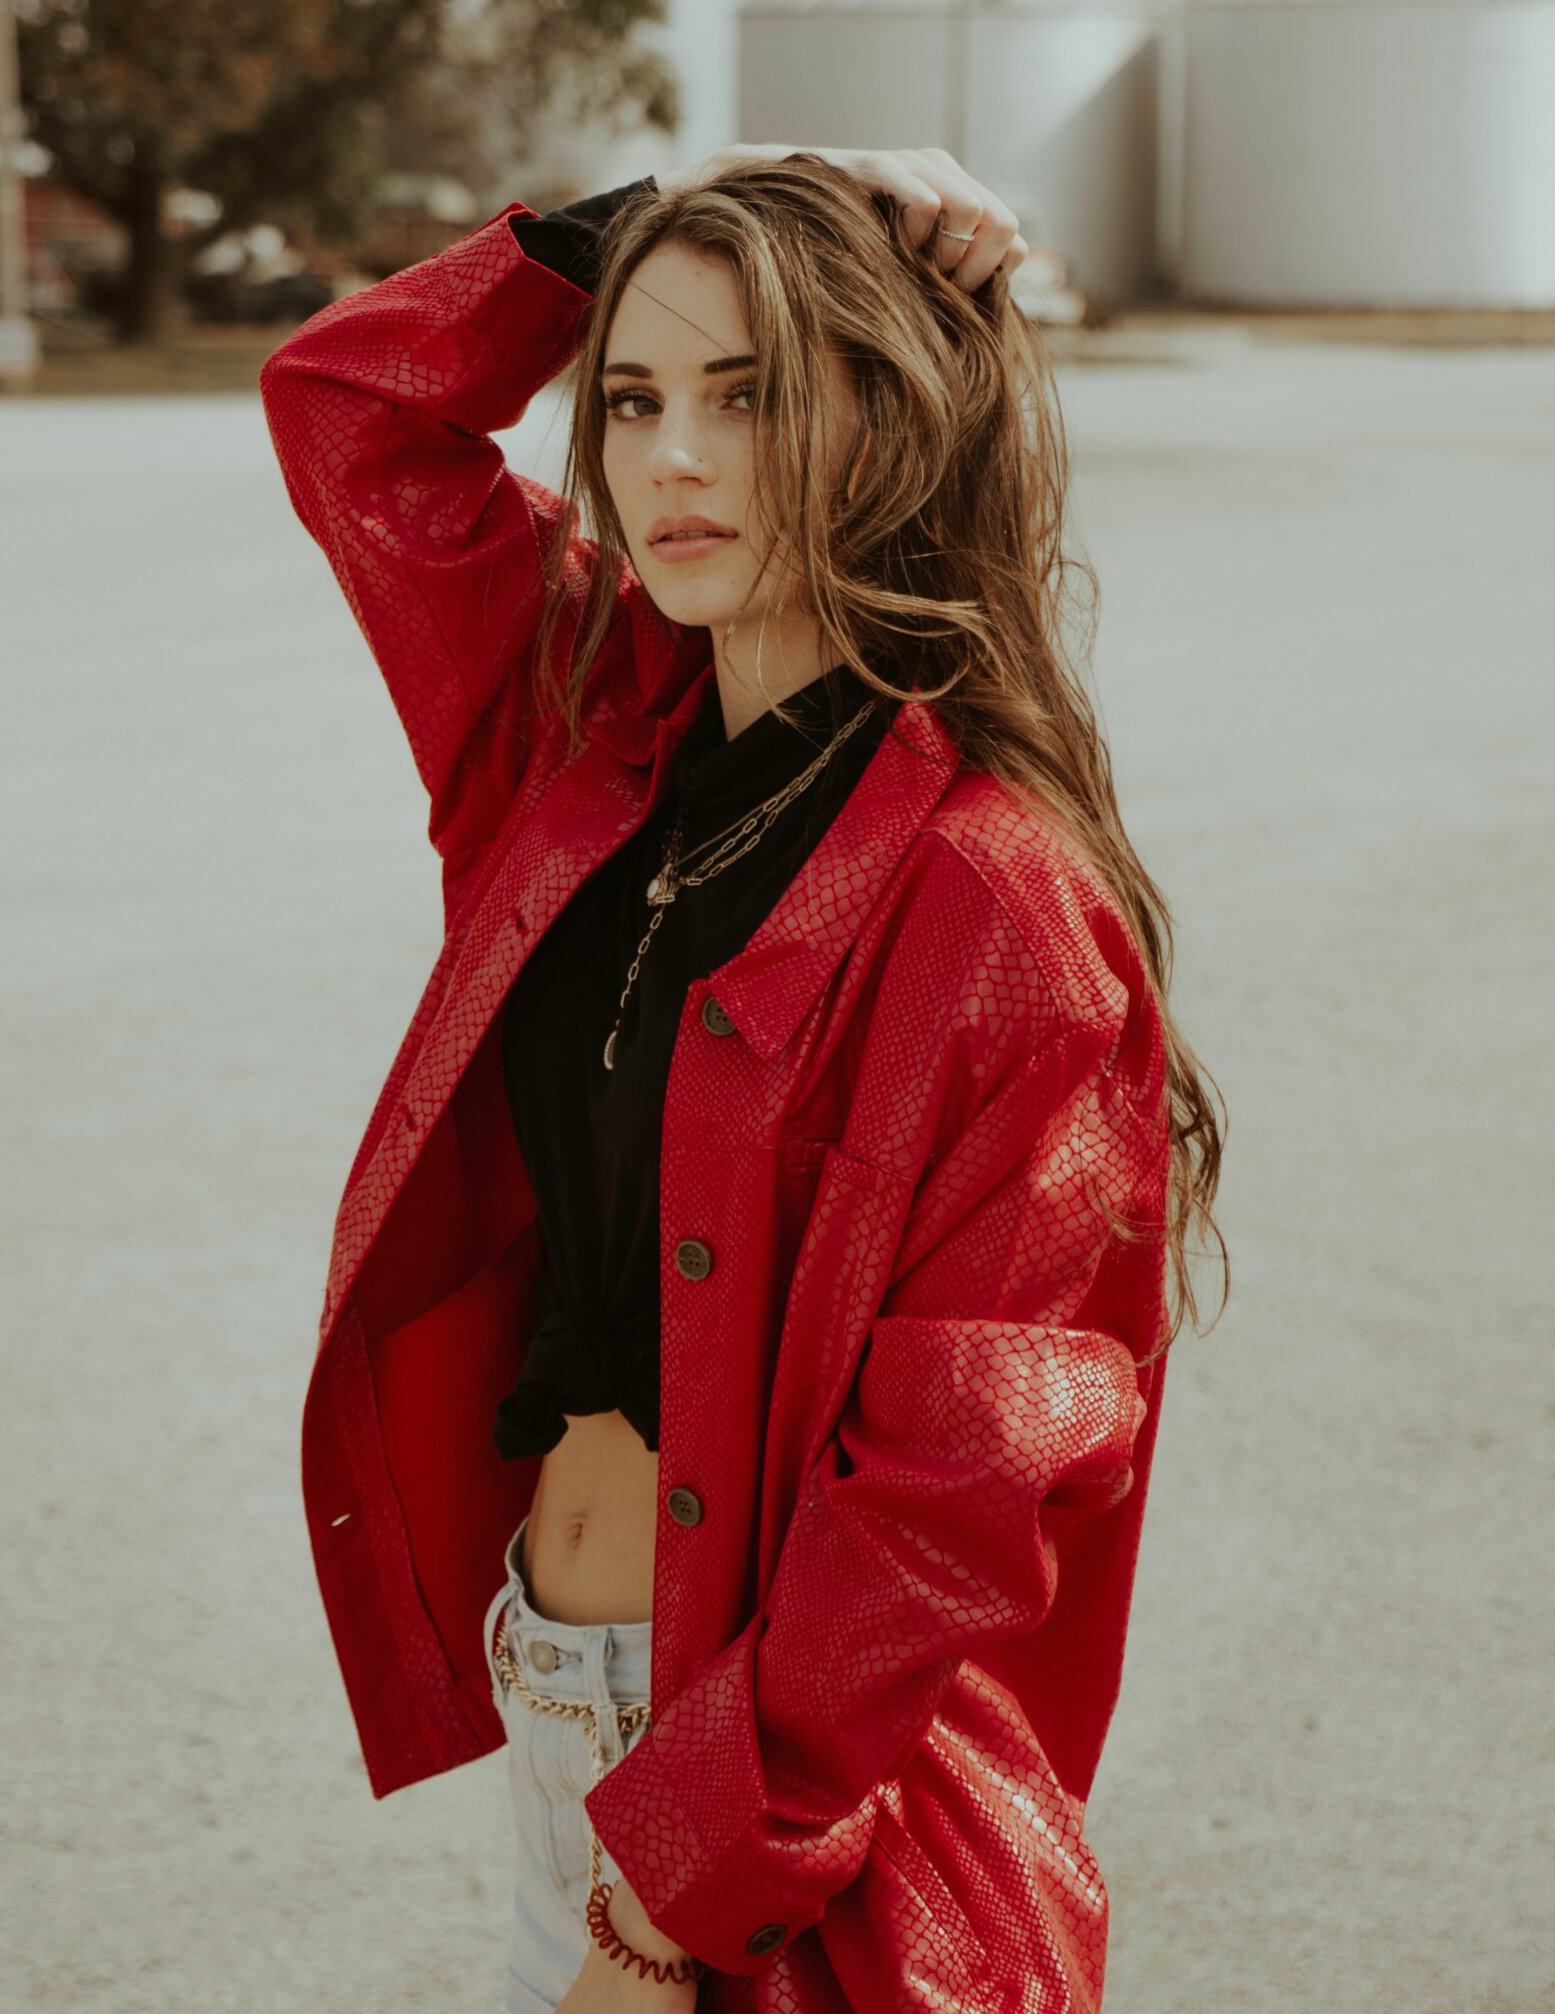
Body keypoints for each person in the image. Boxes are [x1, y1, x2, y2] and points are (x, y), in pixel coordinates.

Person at [258, 144, 1227, 2012]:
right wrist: (628, 224)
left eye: (753, 395)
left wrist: (673, 1898)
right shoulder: (577, 734)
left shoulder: (998, 903)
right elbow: (352, 416)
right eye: (633, 400)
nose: (670, 462)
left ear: (893, 422)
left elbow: (953, 1484)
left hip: (791, 1818)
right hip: (566, 1699)